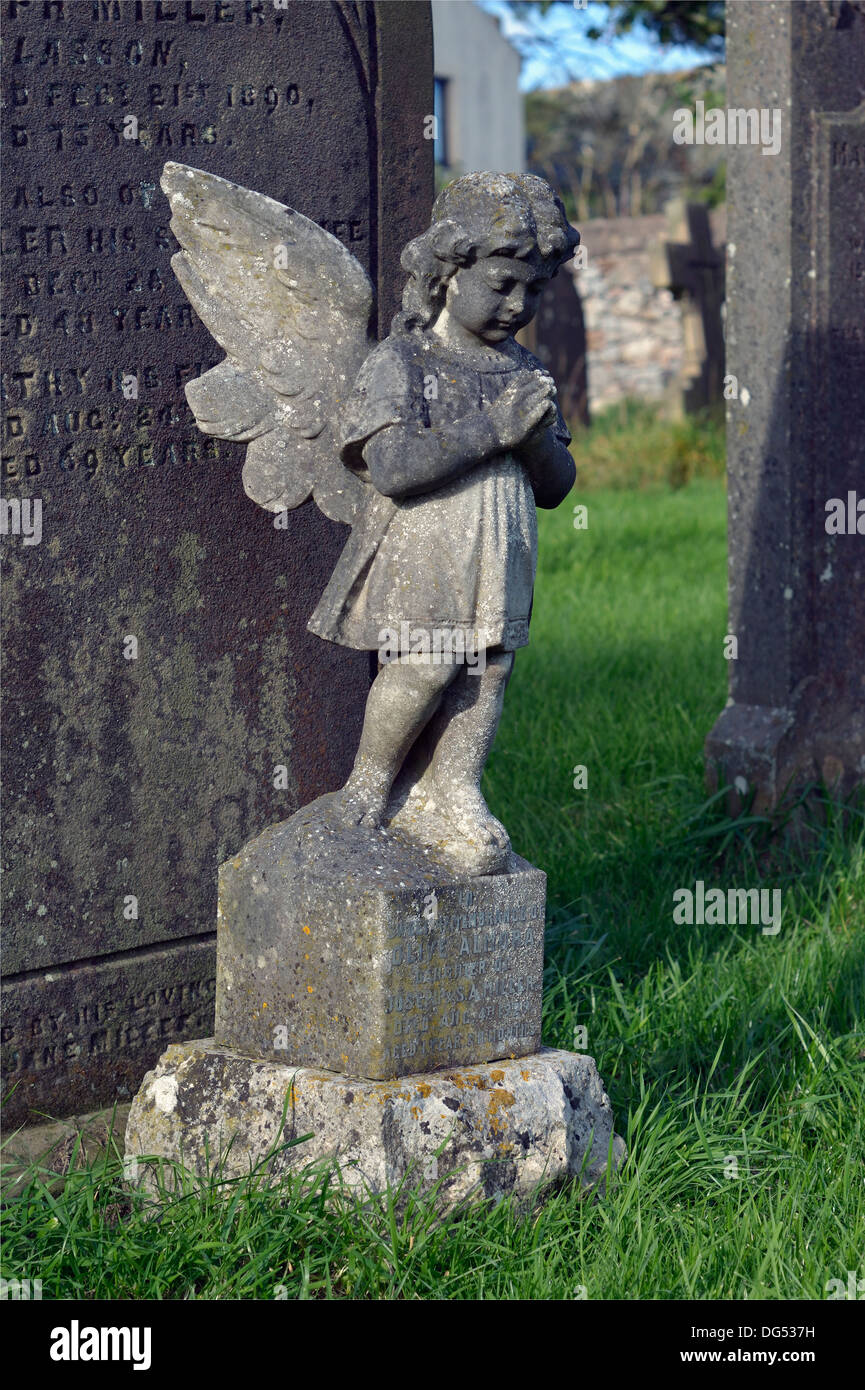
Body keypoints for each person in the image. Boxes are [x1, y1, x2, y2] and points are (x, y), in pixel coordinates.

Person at [308, 173, 579, 870]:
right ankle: (368, 786)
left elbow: (556, 487)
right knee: (426, 665)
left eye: (534, 289)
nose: (517, 305)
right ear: (447, 272)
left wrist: (536, 442)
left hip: (502, 544)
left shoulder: (525, 371)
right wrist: (493, 430)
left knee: (488, 671)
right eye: (500, 284)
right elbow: (392, 466)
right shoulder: (404, 360)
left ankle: (454, 788)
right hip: (428, 544)